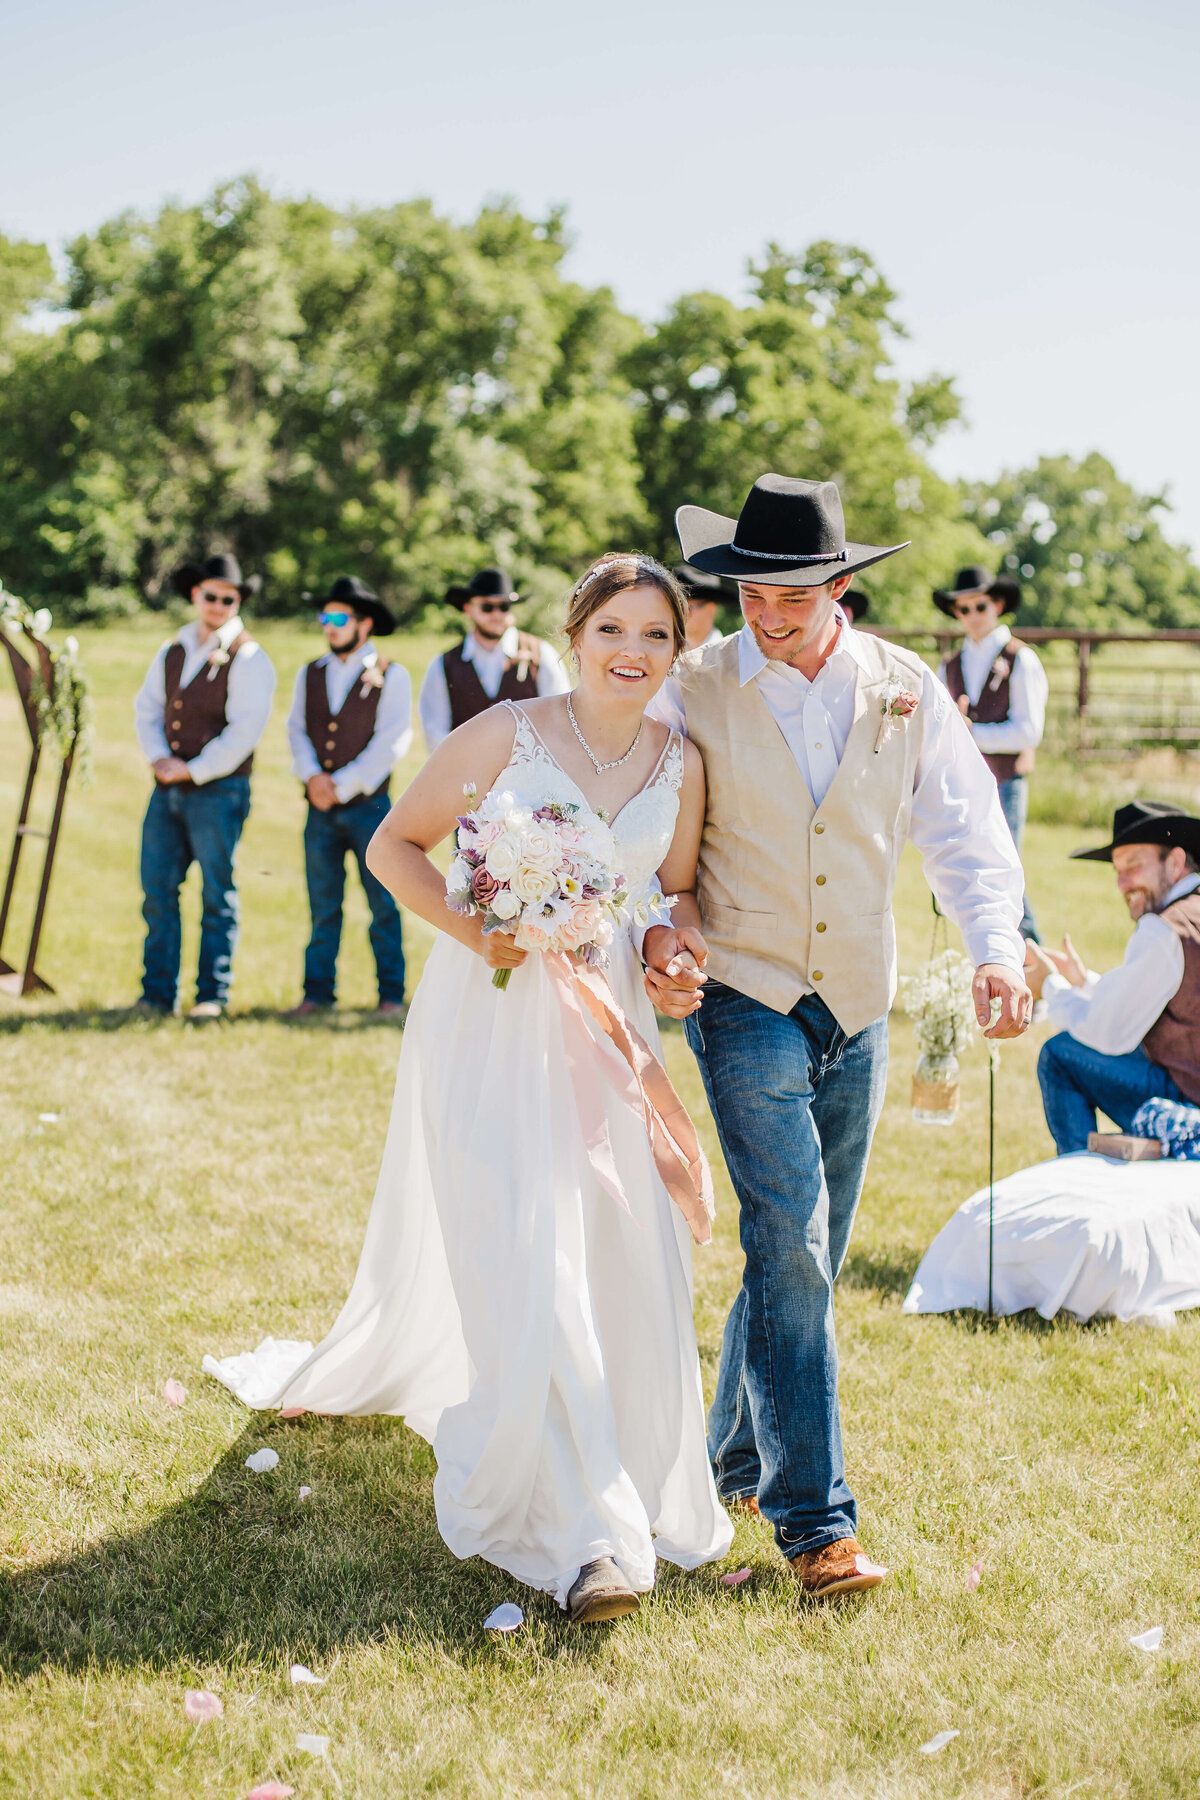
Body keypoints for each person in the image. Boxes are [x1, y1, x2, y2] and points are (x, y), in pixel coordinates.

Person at [204, 553, 734, 1623]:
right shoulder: (505, 734)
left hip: (612, 1025)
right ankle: (586, 1532)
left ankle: (627, 1465)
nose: (633, 653)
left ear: (679, 650)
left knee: (623, 1243)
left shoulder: (684, 757)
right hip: (491, 1017)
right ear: (574, 633)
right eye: (613, 630)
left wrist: (677, 957)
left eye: (656, 637)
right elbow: (395, 849)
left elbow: (672, 895)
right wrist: (491, 929)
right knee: (527, 1243)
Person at [643, 474, 1030, 1598]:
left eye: (791, 594)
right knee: (794, 1248)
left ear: (841, 585)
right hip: (744, 993)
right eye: (750, 592)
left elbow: (963, 834)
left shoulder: (908, 689)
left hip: (858, 1003)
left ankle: (731, 1460)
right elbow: (647, 833)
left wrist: (996, 949)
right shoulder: (693, 688)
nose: (766, 612)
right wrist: (657, 934)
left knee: (802, 1249)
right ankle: (818, 1530)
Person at [133, 552, 276, 1020]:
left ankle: (212, 996)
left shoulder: (250, 657)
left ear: (238, 602)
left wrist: (191, 770)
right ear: (196, 595)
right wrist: (159, 758)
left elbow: (243, 733)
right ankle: (157, 994)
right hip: (166, 786)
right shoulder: (173, 648)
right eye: (210, 595)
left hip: (218, 792)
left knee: (218, 895)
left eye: (228, 598)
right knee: (157, 890)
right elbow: (148, 708)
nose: (218, 605)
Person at [1026, 801, 1200, 1154]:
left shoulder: (1166, 929)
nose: (1123, 883)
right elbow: (1153, 996)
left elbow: (1108, 1032)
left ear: (1176, 862)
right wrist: (1086, 983)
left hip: (1188, 1106)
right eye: (1117, 871)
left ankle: (1079, 1181)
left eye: (1134, 866)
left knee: (1060, 1054)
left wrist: (1047, 985)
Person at [285, 576, 413, 1018]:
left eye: (338, 618)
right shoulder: (311, 672)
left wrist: (341, 785)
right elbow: (297, 729)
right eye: (325, 617)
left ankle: (391, 996)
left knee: (381, 905)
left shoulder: (392, 675)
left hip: (369, 809)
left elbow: (392, 742)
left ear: (365, 624)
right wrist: (311, 777)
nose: (329, 625)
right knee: (322, 905)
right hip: (318, 808)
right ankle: (317, 993)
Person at [934, 565, 1048, 941]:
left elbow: (1028, 730)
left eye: (979, 607)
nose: (972, 617)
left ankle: (1031, 956)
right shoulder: (949, 665)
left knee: (1003, 870)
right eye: (963, 610)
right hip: (962, 781)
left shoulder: (1021, 659)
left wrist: (971, 734)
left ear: (997, 604)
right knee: (969, 869)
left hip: (1005, 781)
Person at [417, 565, 570, 750]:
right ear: (468, 608)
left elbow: (561, 718)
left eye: (503, 606)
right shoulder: (444, 665)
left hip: (530, 770)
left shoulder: (541, 654)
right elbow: (434, 730)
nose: (496, 614)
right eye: (487, 607)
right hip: (465, 772)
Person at [673, 563, 726, 650]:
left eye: (689, 608)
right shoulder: (672, 653)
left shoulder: (727, 655)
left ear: (710, 609)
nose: (681, 615)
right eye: (678, 608)